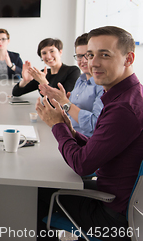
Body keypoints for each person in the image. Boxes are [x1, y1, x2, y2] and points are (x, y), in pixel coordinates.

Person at [35, 26, 143, 240]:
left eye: (105, 54)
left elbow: (83, 164)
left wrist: (57, 126)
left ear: (128, 58)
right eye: (90, 55)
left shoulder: (123, 108)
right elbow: (99, 145)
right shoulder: (125, 96)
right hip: (115, 196)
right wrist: (69, 129)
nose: (93, 62)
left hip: (112, 214)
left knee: (33, 192)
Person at [38, 33, 104, 137]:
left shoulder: (102, 86)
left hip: (84, 142)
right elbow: (69, 112)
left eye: (88, 55)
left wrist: (64, 102)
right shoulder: (80, 80)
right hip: (69, 135)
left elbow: (95, 125)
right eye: (79, 56)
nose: (83, 60)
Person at [12, 38, 80, 96]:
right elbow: (16, 93)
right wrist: (25, 81)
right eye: (44, 53)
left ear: (60, 52)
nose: (48, 56)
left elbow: (63, 98)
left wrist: (43, 81)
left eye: (52, 51)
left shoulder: (73, 71)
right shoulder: (43, 74)